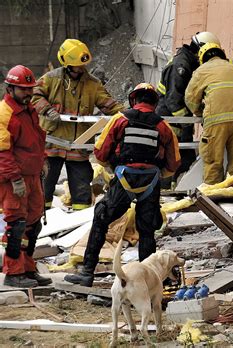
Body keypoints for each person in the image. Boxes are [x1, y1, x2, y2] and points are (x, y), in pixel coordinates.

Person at [64, 83, 181, 287]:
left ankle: (87, 273)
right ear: (155, 102)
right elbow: (174, 163)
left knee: (101, 218)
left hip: (124, 179)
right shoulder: (164, 126)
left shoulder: (120, 120)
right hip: (151, 183)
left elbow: (100, 152)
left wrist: (114, 167)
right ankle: (148, 282)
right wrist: (155, 174)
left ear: (133, 100)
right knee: (146, 231)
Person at [31, 38, 124, 211]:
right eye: (77, 66)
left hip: (78, 145)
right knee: (43, 186)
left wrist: (127, 115)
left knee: (81, 187)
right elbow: (34, 95)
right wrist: (48, 110)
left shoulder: (92, 84)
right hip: (52, 142)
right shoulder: (51, 79)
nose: (81, 69)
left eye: (83, 65)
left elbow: (108, 105)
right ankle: (40, 220)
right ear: (67, 64)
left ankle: (81, 218)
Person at [157, 31, 233, 188]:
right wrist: (188, 123)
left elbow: (192, 96)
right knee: (174, 158)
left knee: (210, 160)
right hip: (172, 121)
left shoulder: (197, 63)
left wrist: (202, 114)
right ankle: (167, 188)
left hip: (195, 120)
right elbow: (174, 100)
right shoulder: (179, 66)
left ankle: (212, 196)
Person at [0, 65, 52, 287]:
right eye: (23, 89)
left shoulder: (28, 109)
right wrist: (15, 178)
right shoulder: (5, 113)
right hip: (15, 179)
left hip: (31, 175)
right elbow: (2, 151)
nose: (28, 93)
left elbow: (34, 139)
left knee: (33, 224)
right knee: (17, 224)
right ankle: (13, 273)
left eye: (29, 89)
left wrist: (44, 159)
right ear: (10, 88)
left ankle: (28, 269)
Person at [185, 42, 233, 184]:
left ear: (202, 58)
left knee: (213, 162)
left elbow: (190, 99)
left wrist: (200, 113)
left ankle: (212, 198)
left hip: (215, 122)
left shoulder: (201, 71)